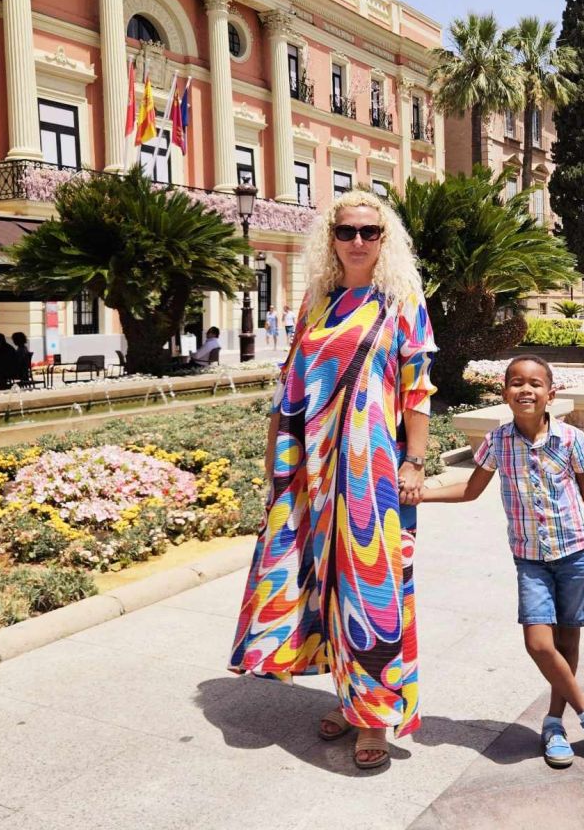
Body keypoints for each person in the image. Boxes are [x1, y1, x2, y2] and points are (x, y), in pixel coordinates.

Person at [230, 190, 436, 771]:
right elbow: (288, 386)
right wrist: (275, 465)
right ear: (331, 239)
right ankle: (349, 700)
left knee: (373, 585)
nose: (358, 241)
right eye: (346, 231)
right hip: (311, 468)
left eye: (370, 232)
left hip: (372, 468)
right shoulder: (318, 304)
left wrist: (415, 461)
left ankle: (374, 718)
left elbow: (418, 387)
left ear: (385, 239)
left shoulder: (401, 301)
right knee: (325, 583)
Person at [421, 354, 584, 769]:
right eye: (516, 383)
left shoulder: (571, 440)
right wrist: (423, 494)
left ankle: (555, 724)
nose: (526, 389)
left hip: (575, 554)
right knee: (539, 644)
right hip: (530, 560)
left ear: (550, 394)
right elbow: (470, 490)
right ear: (504, 392)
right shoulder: (497, 442)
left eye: (535, 383)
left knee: (567, 643)